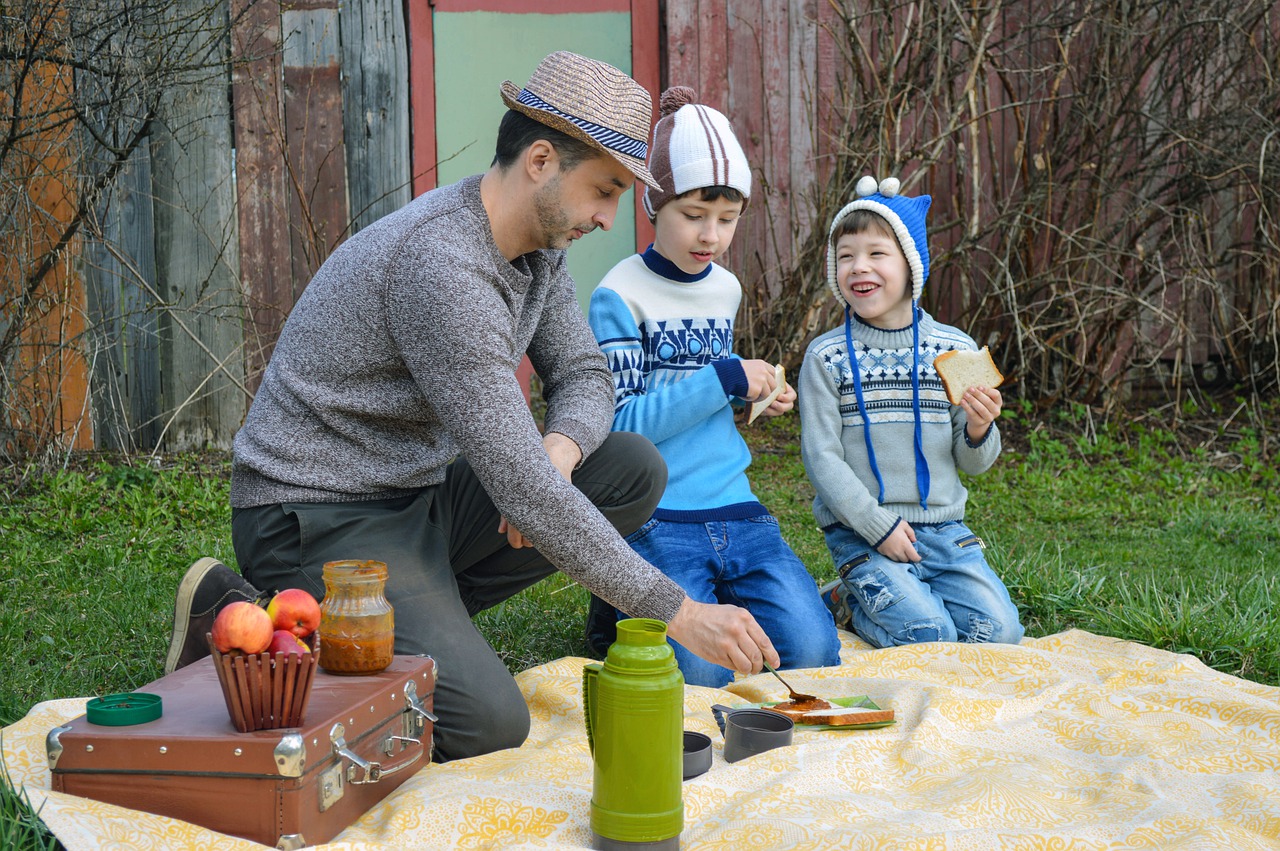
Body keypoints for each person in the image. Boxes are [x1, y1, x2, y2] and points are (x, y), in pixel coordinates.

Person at [163, 52, 779, 762]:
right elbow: (524, 492)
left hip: (413, 499)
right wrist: (681, 612)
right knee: (488, 722)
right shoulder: (443, 268)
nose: (611, 219)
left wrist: (560, 450)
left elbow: (585, 374)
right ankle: (238, 614)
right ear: (542, 159)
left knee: (629, 467)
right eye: (605, 191)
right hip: (314, 514)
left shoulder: (539, 251)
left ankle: (412, 622)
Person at [584, 87, 841, 687]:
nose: (711, 235)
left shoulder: (724, 289)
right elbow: (622, 425)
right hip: (657, 513)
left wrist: (754, 395)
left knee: (813, 653)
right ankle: (617, 606)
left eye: (728, 220)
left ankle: (730, 599)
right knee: (700, 679)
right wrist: (723, 376)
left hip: (734, 503)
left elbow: (706, 397)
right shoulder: (619, 295)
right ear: (654, 204)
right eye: (693, 216)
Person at [801, 174, 1024, 648]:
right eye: (846, 256)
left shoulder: (956, 350)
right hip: (863, 531)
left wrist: (981, 429)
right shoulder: (826, 358)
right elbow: (822, 460)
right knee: (928, 634)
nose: (858, 266)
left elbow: (974, 463)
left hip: (946, 533)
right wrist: (878, 528)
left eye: (877, 253)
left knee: (999, 635)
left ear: (912, 265)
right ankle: (848, 598)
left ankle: (898, 593)